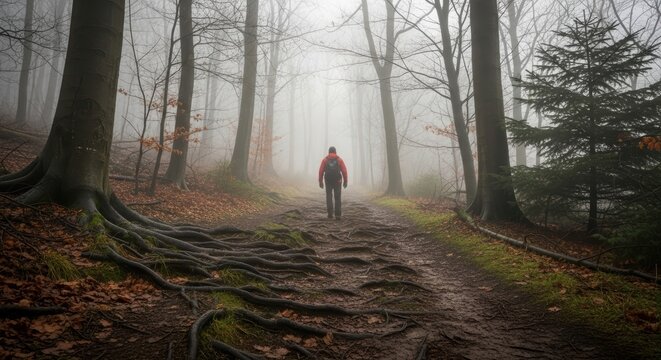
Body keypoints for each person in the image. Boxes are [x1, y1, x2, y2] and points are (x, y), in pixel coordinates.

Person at [318, 146, 348, 219]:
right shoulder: (339, 160)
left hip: (328, 180)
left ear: (329, 152)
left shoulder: (325, 160)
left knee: (329, 196)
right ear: (335, 152)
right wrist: (345, 181)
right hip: (338, 180)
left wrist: (320, 181)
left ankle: (330, 214)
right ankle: (337, 215)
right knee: (337, 197)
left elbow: (321, 171)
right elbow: (344, 171)